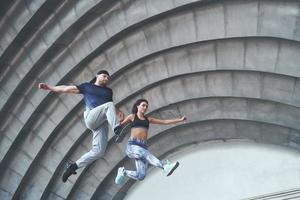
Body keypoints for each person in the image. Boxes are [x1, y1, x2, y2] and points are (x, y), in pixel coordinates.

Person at [38, 70, 126, 183]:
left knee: (99, 151)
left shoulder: (108, 91)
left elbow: (108, 104)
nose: (106, 79)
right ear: (97, 76)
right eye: (104, 76)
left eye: (108, 78)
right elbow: (66, 89)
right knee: (109, 106)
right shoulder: (87, 87)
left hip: (101, 121)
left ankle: (72, 167)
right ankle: (117, 129)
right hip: (91, 117)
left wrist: (118, 112)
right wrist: (50, 88)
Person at [115, 99, 186, 185]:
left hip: (142, 147)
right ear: (138, 106)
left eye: (146, 106)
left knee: (141, 175)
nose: (145, 107)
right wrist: (119, 119)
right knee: (146, 154)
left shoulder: (148, 119)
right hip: (133, 146)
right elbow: (120, 126)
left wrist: (180, 120)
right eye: (143, 105)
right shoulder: (132, 117)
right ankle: (164, 166)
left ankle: (123, 172)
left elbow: (165, 122)